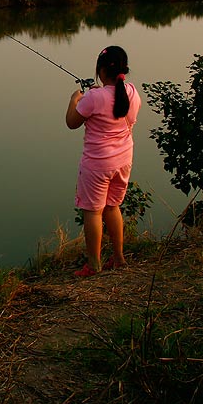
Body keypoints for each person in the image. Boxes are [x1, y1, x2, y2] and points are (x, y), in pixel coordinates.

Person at [65, 46, 140, 277]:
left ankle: (94, 264)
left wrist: (74, 99)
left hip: (97, 165)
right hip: (123, 160)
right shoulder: (132, 92)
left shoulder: (92, 97)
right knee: (112, 206)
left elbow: (71, 122)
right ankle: (118, 258)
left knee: (93, 211)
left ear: (100, 70)